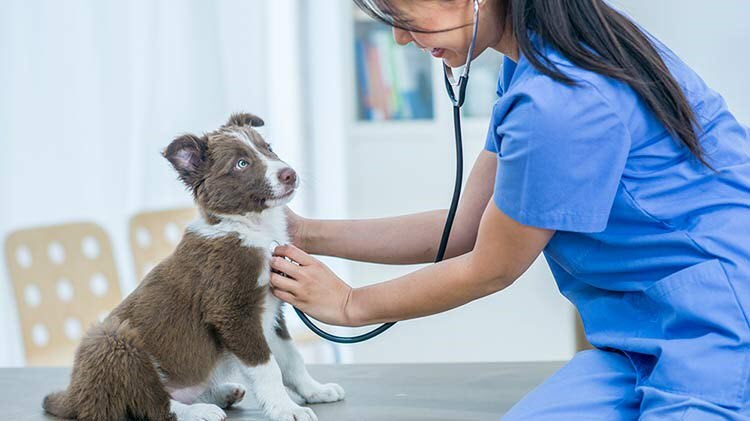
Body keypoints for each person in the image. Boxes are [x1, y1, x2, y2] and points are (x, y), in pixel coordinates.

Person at [269, 0, 750, 418]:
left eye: (403, 17)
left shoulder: (560, 101)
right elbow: (467, 226)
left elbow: (491, 267)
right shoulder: (535, 64)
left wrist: (352, 304)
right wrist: (300, 232)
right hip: (640, 337)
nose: (398, 38)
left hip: (720, 334)